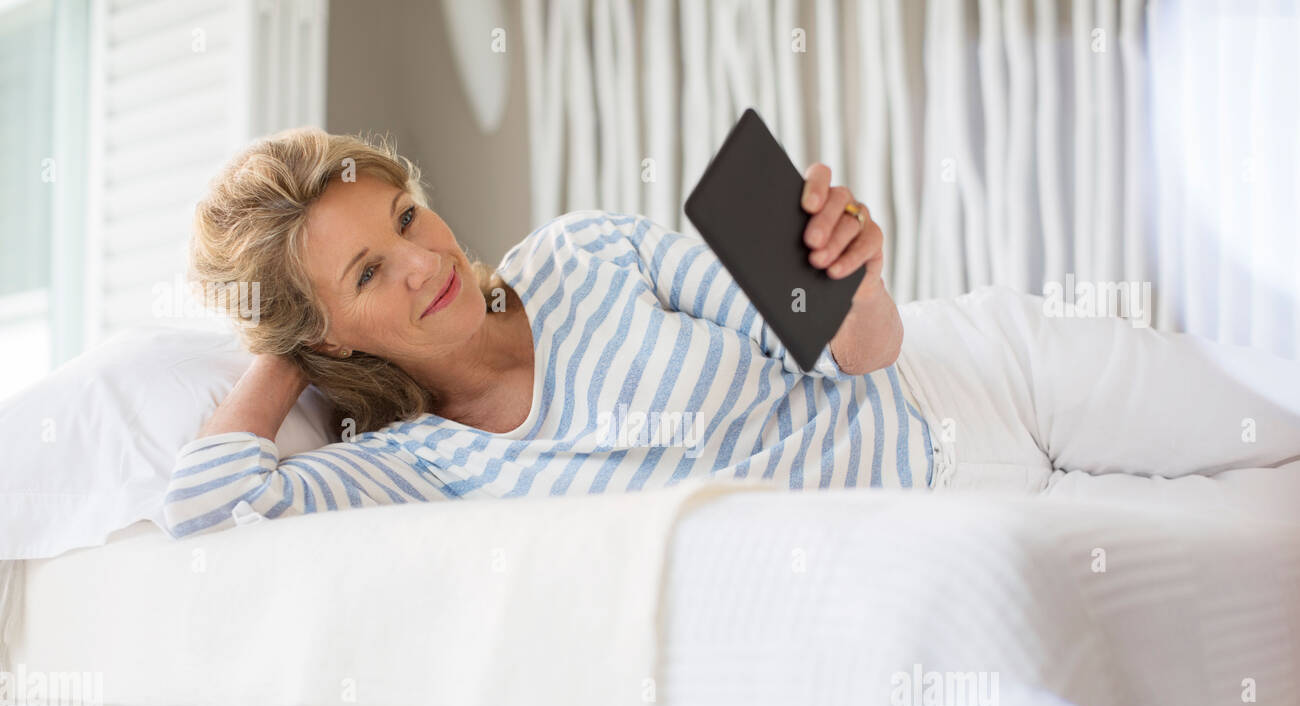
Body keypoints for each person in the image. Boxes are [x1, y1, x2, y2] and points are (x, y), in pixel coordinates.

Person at [163, 128, 1300, 539]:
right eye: (368, 270)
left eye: (406, 216)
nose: (423, 260)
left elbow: (863, 349)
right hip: (950, 520)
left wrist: (848, 276)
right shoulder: (413, 469)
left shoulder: (584, 253)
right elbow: (210, 508)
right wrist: (285, 340)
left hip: (977, 380)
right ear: (332, 337)